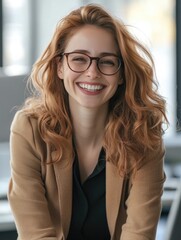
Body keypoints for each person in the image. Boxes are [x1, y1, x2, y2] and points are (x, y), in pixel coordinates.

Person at [8, 4, 168, 240]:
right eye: (79, 59)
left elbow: (139, 234)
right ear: (60, 66)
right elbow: (36, 235)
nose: (93, 72)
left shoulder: (143, 133)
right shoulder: (29, 129)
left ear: (122, 73)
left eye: (107, 62)